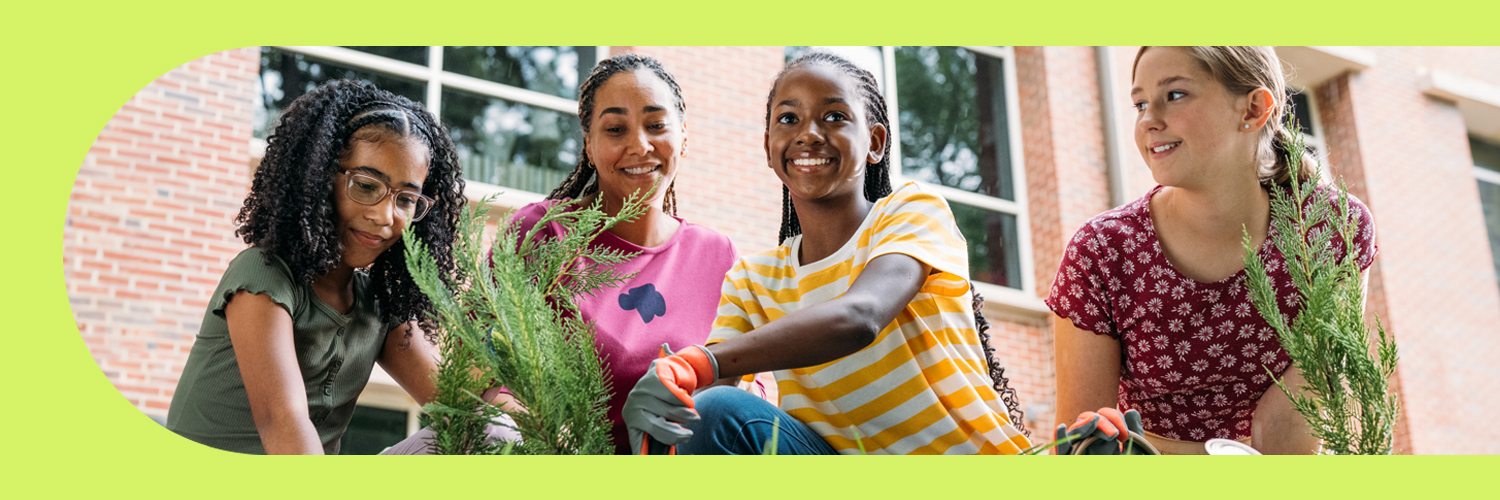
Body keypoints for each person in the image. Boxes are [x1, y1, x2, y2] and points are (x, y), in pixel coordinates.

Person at [620, 52, 1032, 455]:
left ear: (875, 142)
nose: (809, 133)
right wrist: (668, 408)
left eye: (834, 116)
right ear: (768, 147)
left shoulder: (911, 212)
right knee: (712, 413)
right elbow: (708, 410)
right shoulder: (753, 281)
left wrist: (699, 362)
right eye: (788, 119)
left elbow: (860, 316)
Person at [380, 54, 745, 455]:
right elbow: (475, 369)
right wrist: (554, 439)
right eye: (615, 129)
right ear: (589, 145)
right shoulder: (540, 234)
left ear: (684, 137)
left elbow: (743, 395)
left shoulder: (718, 256)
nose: (639, 144)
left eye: (656, 125)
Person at [1049, 46, 1378, 455]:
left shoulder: (1331, 228)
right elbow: (1078, 447)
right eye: (1139, 104)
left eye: (1174, 95)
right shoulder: (1102, 252)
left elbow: (1294, 422)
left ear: (1253, 109)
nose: (1149, 120)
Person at [166, 80, 466, 454]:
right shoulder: (262, 275)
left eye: (406, 199)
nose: (384, 216)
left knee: (487, 430)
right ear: (320, 176)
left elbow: (464, 403)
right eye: (366, 186)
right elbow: (283, 421)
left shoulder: (378, 305)